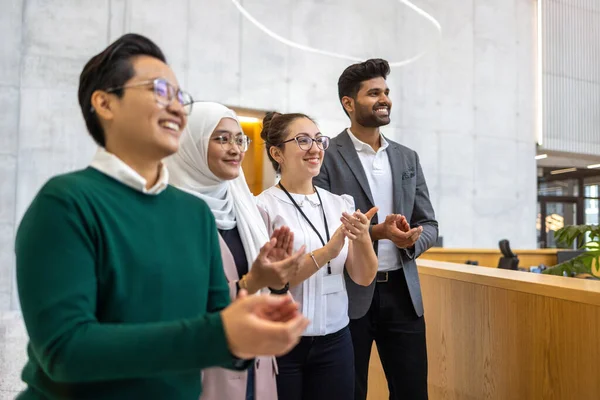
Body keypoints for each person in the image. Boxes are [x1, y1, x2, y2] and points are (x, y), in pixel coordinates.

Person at [14, 33, 308, 400]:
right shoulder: (67, 202)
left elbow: (215, 324)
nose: (176, 108)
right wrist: (221, 334)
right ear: (105, 103)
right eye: (159, 91)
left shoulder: (193, 214)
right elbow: (64, 351)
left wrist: (252, 322)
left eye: (179, 97)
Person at [313, 58, 439, 400]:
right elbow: (322, 231)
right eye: (373, 93)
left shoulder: (407, 158)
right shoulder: (326, 156)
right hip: (348, 292)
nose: (384, 99)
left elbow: (429, 223)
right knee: (350, 392)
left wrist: (411, 240)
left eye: (385, 91)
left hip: (403, 293)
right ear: (349, 103)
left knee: (412, 391)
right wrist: (375, 232)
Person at [166, 101, 305, 400]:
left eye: (240, 139)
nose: (235, 149)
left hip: (257, 365)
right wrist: (250, 283)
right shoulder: (169, 216)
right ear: (190, 145)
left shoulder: (246, 208)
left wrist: (277, 283)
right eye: (222, 138)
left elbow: (267, 291)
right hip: (204, 369)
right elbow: (175, 305)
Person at [256, 112, 379, 400]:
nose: (315, 148)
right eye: (302, 140)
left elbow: (363, 277)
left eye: (318, 140)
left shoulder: (340, 204)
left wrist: (362, 239)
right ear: (277, 153)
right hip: (282, 342)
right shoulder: (262, 207)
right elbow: (273, 282)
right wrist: (328, 251)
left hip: (336, 340)